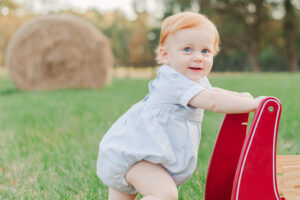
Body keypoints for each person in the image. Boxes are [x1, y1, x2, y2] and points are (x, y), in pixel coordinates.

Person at [97, 11, 265, 200]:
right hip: (136, 156)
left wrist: (239, 97)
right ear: (165, 55)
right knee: (165, 194)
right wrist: (253, 105)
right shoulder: (173, 82)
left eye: (205, 51)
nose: (198, 57)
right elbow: (212, 102)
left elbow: (214, 93)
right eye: (187, 49)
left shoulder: (194, 81)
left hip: (140, 153)